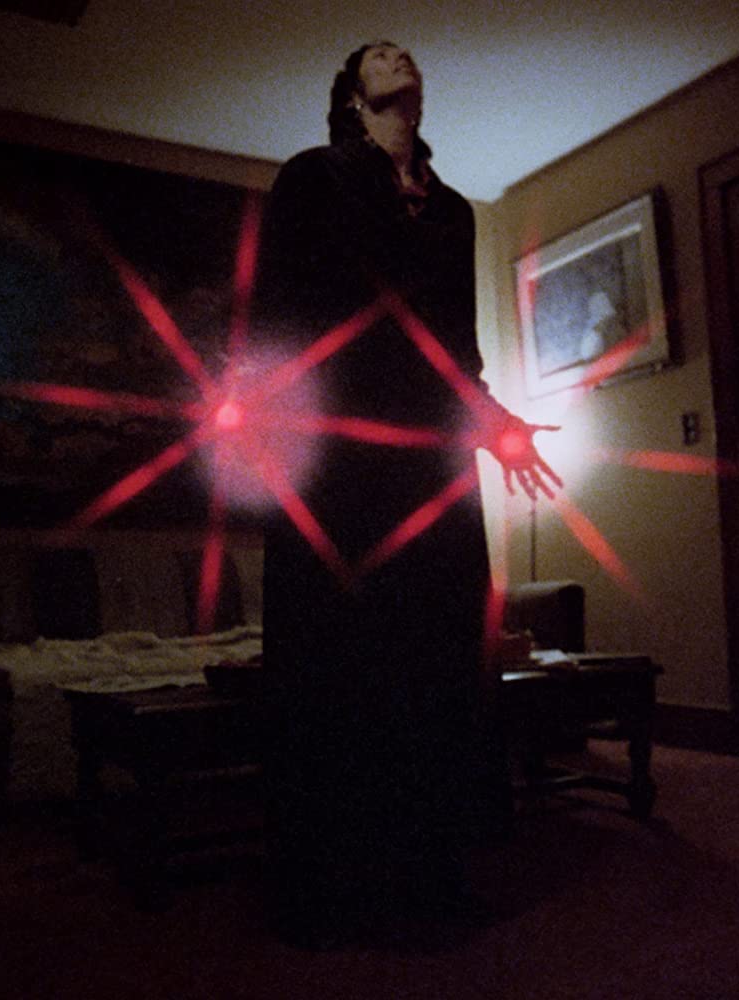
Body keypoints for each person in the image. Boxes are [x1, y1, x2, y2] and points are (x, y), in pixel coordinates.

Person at [254, 40, 558, 948]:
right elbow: (275, 310)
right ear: (353, 95)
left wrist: (494, 422)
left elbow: (457, 347)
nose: (398, 56)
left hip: (432, 460)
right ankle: (318, 889)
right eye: (378, 55)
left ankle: (431, 875)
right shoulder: (311, 178)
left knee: (435, 663)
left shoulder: (453, 212)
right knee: (334, 662)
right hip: (334, 455)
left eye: (406, 52)